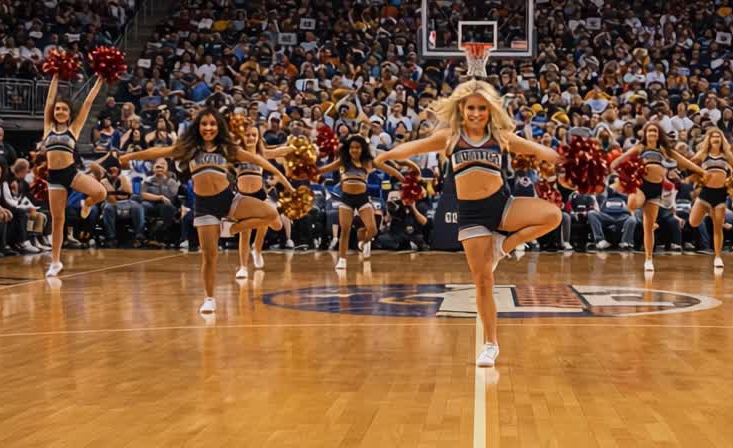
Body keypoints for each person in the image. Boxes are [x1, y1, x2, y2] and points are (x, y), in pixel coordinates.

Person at [375, 79, 561, 367]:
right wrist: (386, 155)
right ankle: (490, 344)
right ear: (461, 109)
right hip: (471, 215)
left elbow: (540, 151)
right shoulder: (451, 137)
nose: (476, 113)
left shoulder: (500, 136)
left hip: (501, 205)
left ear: (490, 111)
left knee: (552, 215)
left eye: (482, 108)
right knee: (483, 280)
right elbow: (414, 147)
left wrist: (572, 160)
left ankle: (505, 245)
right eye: (471, 108)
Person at [119, 108, 289, 314]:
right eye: (204, 124)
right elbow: (158, 152)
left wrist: (282, 176)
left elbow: (257, 160)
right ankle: (210, 298)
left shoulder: (226, 149)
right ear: (198, 127)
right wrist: (130, 156)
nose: (208, 128)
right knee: (210, 256)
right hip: (204, 206)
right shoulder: (189, 149)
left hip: (228, 200)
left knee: (271, 214)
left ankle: (231, 229)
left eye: (212, 124)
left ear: (219, 127)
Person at [608, 122, 705, 272]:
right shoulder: (641, 147)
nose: (652, 133)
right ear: (645, 133)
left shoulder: (664, 150)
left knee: (648, 228)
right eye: (650, 131)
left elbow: (683, 161)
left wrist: (701, 171)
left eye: (655, 131)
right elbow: (626, 156)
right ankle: (638, 214)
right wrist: (614, 163)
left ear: (659, 134)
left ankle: (648, 259)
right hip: (642, 185)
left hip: (656, 189)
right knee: (633, 203)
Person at [42, 74, 108, 277]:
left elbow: (88, 102)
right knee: (58, 219)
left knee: (101, 192)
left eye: (64, 109)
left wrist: (99, 81)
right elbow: (49, 100)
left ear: (70, 114)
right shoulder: (47, 128)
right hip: (54, 177)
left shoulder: (74, 129)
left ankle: (87, 204)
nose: (60, 111)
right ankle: (55, 261)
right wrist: (55, 75)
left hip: (70, 173)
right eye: (58, 109)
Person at [317, 134, 408, 271]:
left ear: (362, 149)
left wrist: (403, 179)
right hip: (346, 198)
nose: (354, 150)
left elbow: (389, 169)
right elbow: (323, 170)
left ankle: (364, 242)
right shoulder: (342, 161)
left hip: (362, 198)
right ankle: (342, 259)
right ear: (348, 149)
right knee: (345, 230)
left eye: (357, 147)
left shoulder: (369, 162)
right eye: (352, 147)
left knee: (372, 229)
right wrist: (306, 170)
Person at [233, 122, 295, 277]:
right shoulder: (236, 154)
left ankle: (257, 249)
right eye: (247, 135)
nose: (251, 138)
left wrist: (294, 147)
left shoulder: (262, 155)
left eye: (254, 135)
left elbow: (280, 151)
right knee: (245, 232)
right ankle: (243, 267)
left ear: (258, 137)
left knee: (276, 224)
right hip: (242, 196)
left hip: (259, 195)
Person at [686, 127, 733, 269]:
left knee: (717, 228)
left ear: (722, 139)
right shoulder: (704, 154)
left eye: (718, 136)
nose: (716, 139)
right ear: (709, 140)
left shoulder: (727, 156)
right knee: (693, 222)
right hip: (706, 193)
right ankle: (708, 212)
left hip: (720, 194)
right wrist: (698, 175)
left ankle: (718, 257)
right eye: (713, 137)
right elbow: (691, 165)